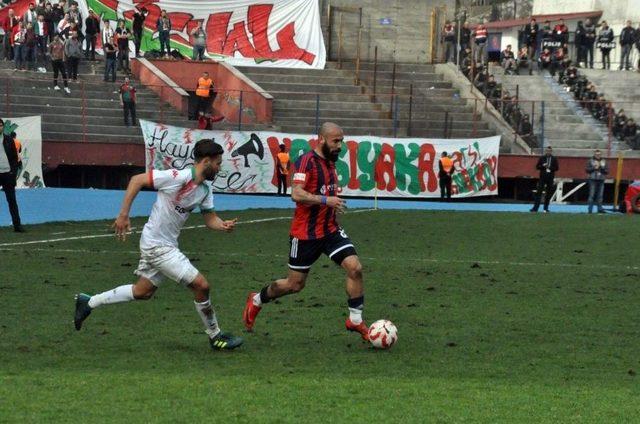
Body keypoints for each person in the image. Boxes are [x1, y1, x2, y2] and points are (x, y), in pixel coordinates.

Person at [73, 139, 243, 351]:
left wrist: (222, 226)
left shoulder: (205, 190)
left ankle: (88, 302)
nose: (219, 168)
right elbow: (136, 180)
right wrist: (123, 214)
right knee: (202, 285)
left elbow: (210, 219)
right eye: (217, 163)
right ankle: (215, 335)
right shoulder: (177, 177)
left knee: (142, 291)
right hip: (157, 245)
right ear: (206, 161)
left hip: (166, 244)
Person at [242, 122, 370, 342]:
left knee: (355, 268)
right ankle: (257, 300)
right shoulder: (306, 162)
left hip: (330, 231)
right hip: (304, 235)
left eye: (342, 140)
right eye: (336, 141)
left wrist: (331, 204)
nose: (340, 145)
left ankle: (355, 320)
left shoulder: (330, 163)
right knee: (295, 285)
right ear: (321, 139)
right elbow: (296, 194)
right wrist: (326, 200)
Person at [0, 119, 25, 232]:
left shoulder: (9, 140)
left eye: (0, 125)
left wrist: (12, 172)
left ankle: (17, 225)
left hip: (7, 173)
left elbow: (15, 158)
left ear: (3, 127)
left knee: (12, 200)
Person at [530, 146, 559, 213]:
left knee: (548, 193)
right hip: (542, 178)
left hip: (550, 178)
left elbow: (557, 168)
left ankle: (545, 208)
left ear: (551, 151)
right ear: (545, 151)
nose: (548, 152)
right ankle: (535, 208)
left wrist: (550, 167)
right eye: (547, 151)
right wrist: (543, 166)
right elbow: (537, 167)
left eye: (549, 151)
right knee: (539, 192)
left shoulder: (554, 159)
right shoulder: (542, 158)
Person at [586, 149, 608, 213]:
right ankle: (590, 210)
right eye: (596, 154)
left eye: (599, 154)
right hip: (592, 179)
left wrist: (602, 168)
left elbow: (607, 171)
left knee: (600, 195)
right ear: (594, 154)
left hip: (601, 179)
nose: (598, 155)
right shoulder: (590, 161)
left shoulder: (604, 161)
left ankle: (600, 209)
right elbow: (587, 170)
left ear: (601, 154)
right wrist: (594, 168)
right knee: (591, 195)